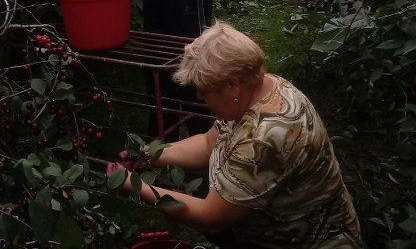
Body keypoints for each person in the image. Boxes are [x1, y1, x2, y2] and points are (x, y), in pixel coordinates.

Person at [107, 22, 363, 249]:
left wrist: (134, 186)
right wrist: (150, 155)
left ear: (232, 85)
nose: (199, 97)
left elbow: (211, 218)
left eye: (204, 89)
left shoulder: (264, 137)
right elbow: (209, 142)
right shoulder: (262, 86)